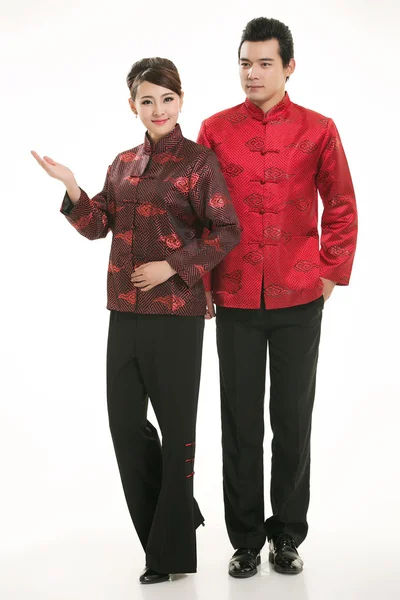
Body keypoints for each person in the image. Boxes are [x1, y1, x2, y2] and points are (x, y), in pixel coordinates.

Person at [31, 57, 241, 584]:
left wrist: (172, 264)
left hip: (177, 314)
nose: (158, 109)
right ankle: (177, 515)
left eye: (166, 98)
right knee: (126, 426)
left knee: (177, 432)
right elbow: (97, 224)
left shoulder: (199, 163)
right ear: (133, 106)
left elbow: (226, 230)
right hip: (123, 311)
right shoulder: (123, 163)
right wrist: (74, 185)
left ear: (181, 100)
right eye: (147, 100)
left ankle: (166, 554)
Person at [198, 17, 358, 576]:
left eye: (265, 63)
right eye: (245, 62)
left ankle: (287, 536)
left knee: (292, 419)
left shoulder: (319, 129)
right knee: (239, 421)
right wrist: (204, 284)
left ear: (289, 67)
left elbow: (339, 203)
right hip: (235, 296)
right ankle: (244, 539)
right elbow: (202, 216)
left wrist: (331, 273)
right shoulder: (215, 130)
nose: (253, 73)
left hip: (298, 295)